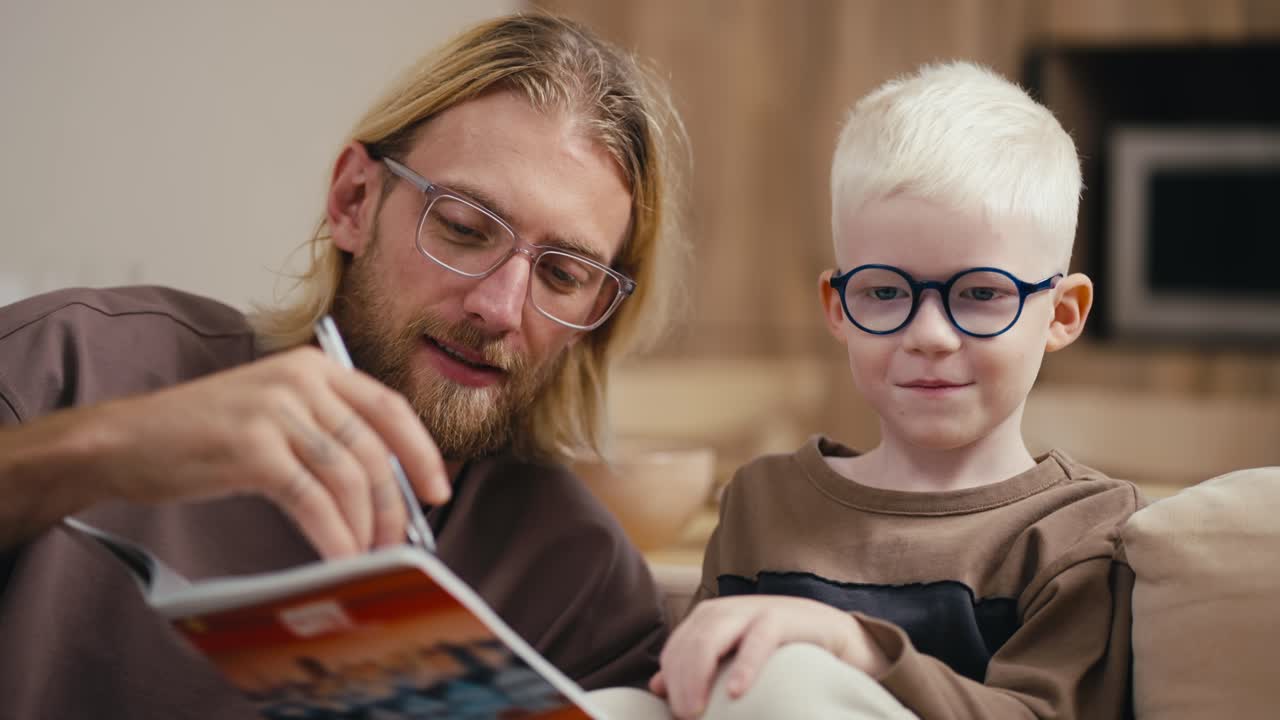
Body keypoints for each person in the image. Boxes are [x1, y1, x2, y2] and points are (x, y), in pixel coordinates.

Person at [0, 13, 689, 719]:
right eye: (462, 227)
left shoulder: (580, 587)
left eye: (563, 274)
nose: (500, 307)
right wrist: (102, 452)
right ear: (354, 201)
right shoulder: (70, 365)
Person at [618, 61, 1143, 720]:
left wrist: (856, 650)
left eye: (981, 294)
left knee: (789, 680)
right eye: (885, 292)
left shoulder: (1081, 529)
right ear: (838, 308)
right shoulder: (763, 502)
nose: (928, 335)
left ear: (1062, 314)